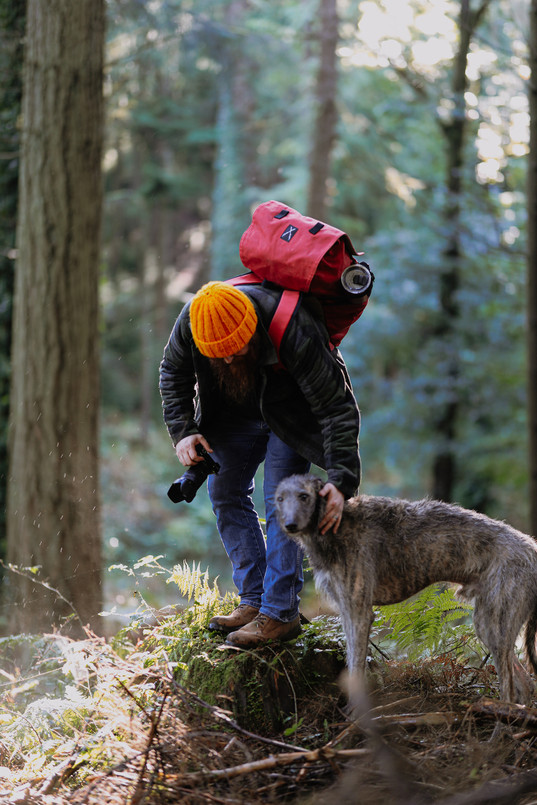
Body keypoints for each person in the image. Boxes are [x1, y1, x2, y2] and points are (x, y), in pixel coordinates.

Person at [159, 279, 361, 648]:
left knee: (281, 502)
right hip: (232, 414)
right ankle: (254, 601)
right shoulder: (193, 321)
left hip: (290, 415)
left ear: (252, 327)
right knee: (225, 492)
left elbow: (337, 407)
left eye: (235, 351)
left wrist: (342, 479)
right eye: (217, 355)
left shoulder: (295, 329)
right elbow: (173, 373)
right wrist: (184, 431)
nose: (227, 360)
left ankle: (280, 613)